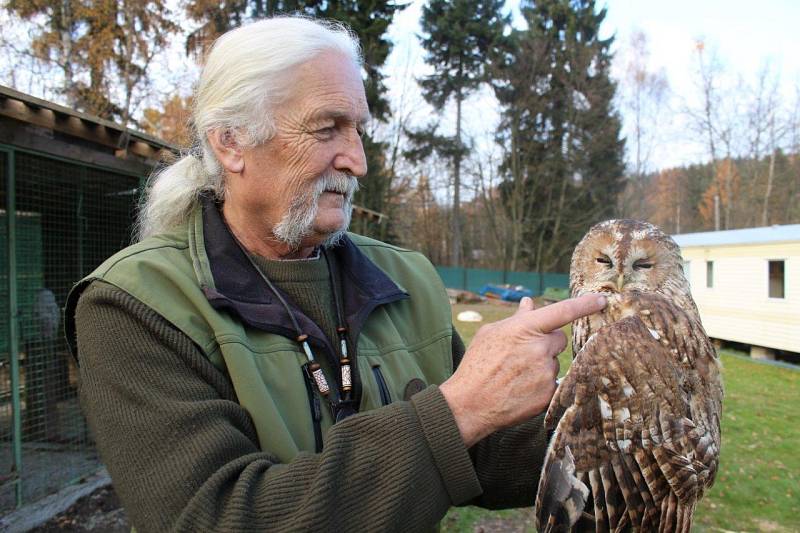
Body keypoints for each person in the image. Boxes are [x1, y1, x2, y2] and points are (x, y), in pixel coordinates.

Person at [65, 16, 606, 532]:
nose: (357, 160)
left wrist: (626, 427)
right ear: (230, 141)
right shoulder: (135, 304)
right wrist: (458, 409)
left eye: (358, 131)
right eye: (327, 129)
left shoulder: (404, 278)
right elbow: (215, 517)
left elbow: (477, 453)